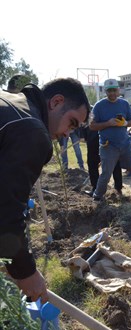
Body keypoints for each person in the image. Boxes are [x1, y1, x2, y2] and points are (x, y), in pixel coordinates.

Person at [0, 78, 90, 304]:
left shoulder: (11, 101)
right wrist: (26, 271)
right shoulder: (32, 132)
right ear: (56, 102)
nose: (69, 134)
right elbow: (6, 210)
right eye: (72, 123)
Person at [90, 79, 131, 205]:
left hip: (125, 144)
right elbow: (92, 126)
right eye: (109, 91)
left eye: (114, 90)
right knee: (106, 174)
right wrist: (108, 123)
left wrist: (124, 123)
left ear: (118, 90)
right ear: (105, 91)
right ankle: (97, 197)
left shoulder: (124, 104)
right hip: (108, 146)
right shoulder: (99, 106)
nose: (112, 93)